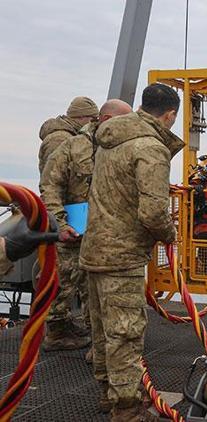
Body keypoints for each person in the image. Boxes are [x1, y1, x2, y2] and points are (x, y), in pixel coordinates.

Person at [79, 83, 184, 419]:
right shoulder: (151, 148)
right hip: (123, 256)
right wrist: (171, 234)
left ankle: (108, 395)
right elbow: (153, 212)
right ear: (169, 115)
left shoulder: (108, 141)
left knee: (102, 331)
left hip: (94, 249)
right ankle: (126, 407)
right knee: (125, 333)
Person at [39, 99, 133, 352]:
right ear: (102, 120)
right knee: (64, 280)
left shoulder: (123, 148)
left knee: (99, 291)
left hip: (105, 235)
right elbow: (50, 185)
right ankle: (60, 332)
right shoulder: (70, 147)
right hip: (73, 230)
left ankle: (101, 348)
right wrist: (58, 223)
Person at [38, 96, 99, 175]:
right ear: (81, 116)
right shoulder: (59, 139)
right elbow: (53, 175)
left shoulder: (72, 136)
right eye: (94, 119)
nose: (95, 123)